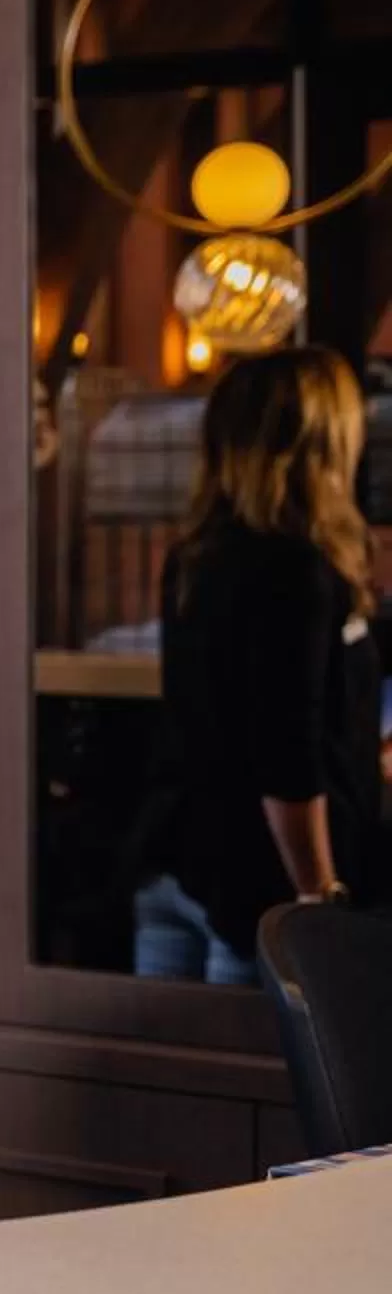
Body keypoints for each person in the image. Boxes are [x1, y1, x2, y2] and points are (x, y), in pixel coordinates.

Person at [137, 346, 384, 984]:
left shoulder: (195, 557)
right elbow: (286, 753)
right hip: (261, 897)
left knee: (168, 1080)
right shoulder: (297, 568)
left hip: (181, 870)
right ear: (320, 441)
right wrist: (316, 896)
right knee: (261, 1083)